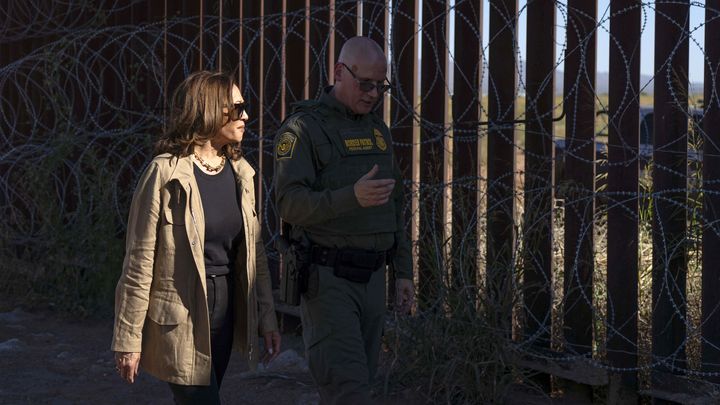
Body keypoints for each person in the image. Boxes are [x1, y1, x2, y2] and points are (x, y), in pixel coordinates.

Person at [111, 70, 281, 404]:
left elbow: (254, 254)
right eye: (236, 108)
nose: (245, 116)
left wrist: (267, 320)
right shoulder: (165, 173)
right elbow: (139, 259)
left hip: (226, 308)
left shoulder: (240, 172)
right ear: (210, 110)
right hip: (182, 315)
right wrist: (128, 338)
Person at [273, 36, 415, 404]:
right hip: (329, 281)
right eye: (364, 83)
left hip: (372, 282)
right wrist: (350, 197)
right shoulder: (303, 129)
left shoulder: (376, 130)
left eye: (380, 86)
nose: (373, 94)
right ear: (339, 72)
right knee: (348, 391)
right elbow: (289, 203)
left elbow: (394, 205)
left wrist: (403, 272)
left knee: (356, 385)